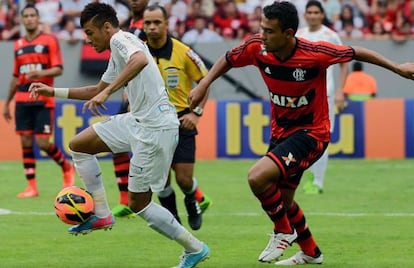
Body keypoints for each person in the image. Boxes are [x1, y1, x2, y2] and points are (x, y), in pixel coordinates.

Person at [188, 1, 414, 265]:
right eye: (262, 28)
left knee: (257, 178)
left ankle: (283, 231)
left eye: (270, 31)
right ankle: (311, 251)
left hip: (312, 134)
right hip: (281, 132)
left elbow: (357, 52)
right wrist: (204, 83)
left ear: (289, 33)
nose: (263, 35)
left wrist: (396, 67)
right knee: (284, 201)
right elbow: (228, 58)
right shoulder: (257, 47)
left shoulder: (315, 53)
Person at [29, 3, 210, 268]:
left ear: (106, 27)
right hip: (138, 121)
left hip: (156, 129)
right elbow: (96, 89)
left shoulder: (122, 39)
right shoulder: (116, 52)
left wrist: (107, 92)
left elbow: (139, 60)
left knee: (140, 204)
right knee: (79, 145)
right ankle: (101, 213)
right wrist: (52, 92)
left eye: (90, 33)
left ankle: (195, 248)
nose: (88, 40)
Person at [143, 4, 212, 230]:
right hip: (151, 123)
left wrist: (196, 113)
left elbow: (205, 81)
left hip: (181, 119)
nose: (152, 28)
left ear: (166, 24)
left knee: (183, 180)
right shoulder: (137, 52)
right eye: (148, 23)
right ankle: (173, 221)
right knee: (160, 182)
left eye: (156, 23)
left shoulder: (183, 52)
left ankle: (192, 201)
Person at [2, 4, 75, 198]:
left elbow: (58, 68)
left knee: (43, 143)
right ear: (22, 20)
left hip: (43, 99)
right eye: (25, 16)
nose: (29, 19)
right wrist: (8, 102)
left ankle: (67, 167)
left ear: (38, 18)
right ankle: (31, 187)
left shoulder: (49, 40)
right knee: (25, 141)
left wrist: (40, 73)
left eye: (32, 15)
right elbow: (16, 76)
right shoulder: (18, 45)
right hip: (22, 100)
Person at [296, 0, 348, 194]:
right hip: (301, 95)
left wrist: (341, 90)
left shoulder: (330, 36)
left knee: (322, 137)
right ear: (305, 15)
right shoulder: (298, 35)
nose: (312, 15)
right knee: (300, 136)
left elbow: (344, 62)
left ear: (322, 14)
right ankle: (306, 174)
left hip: (325, 95)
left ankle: (318, 181)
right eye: (309, 12)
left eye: (316, 12)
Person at [110, 0, 149, 218]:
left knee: (153, 151)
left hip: (144, 96)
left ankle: (196, 195)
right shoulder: (131, 25)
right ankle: (126, 200)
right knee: (118, 145)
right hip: (132, 93)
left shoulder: (150, 25)